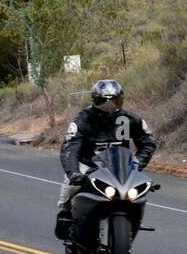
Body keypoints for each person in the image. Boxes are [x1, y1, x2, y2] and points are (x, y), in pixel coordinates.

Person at [54, 79, 157, 239]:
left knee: (137, 191)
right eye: (104, 101)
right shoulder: (83, 118)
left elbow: (148, 142)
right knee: (70, 187)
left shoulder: (131, 119)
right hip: (88, 163)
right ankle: (66, 214)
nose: (109, 106)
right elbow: (70, 147)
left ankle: (134, 219)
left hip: (120, 166)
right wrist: (73, 173)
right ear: (95, 100)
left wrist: (137, 163)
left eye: (114, 101)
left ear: (121, 100)